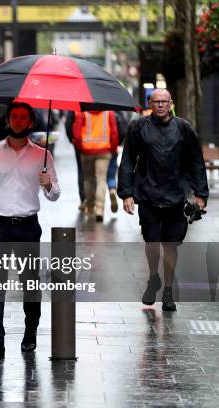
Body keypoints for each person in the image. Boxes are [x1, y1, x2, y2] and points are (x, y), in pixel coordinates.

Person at [0, 102, 60, 359]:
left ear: (30, 122)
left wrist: (49, 185)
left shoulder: (43, 156)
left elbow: (54, 196)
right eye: (13, 116)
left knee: (31, 284)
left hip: (28, 226)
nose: (17, 121)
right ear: (7, 120)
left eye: (22, 117)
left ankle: (30, 332)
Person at [118, 89, 208, 312]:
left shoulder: (183, 128)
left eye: (163, 102)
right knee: (151, 242)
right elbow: (127, 160)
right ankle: (153, 277)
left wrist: (200, 193)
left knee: (170, 245)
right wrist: (126, 193)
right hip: (148, 195)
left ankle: (168, 290)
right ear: (149, 103)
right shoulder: (138, 127)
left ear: (171, 103)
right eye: (155, 101)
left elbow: (196, 161)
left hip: (175, 196)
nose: (160, 105)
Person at [72, 110, 119, 222]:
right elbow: (114, 133)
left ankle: (90, 207)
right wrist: (112, 149)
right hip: (104, 151)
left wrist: (81, 148)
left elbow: (76, 134)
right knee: (101, 179)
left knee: (88, 180)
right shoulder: (109, 113)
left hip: (86, 151)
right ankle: (100, 209)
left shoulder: (82, 113)